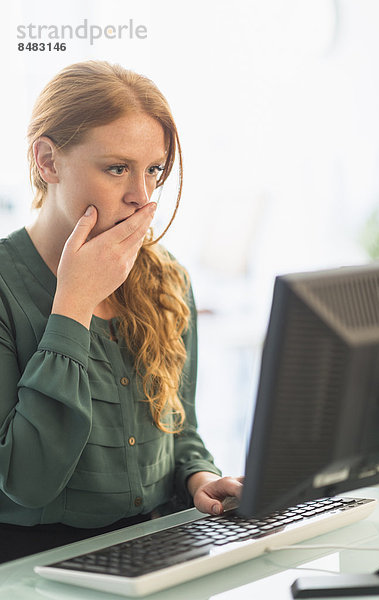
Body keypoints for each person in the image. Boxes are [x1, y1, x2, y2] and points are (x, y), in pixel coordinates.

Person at [0, 60, 243, 562]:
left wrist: (198, 476)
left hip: (160, 546)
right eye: (117, 169)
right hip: (35, 565)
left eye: (153, 169)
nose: (143, 196)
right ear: (47, 161)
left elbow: (181, 426)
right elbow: (25, 479)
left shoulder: (167, 280)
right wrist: (74, 303)